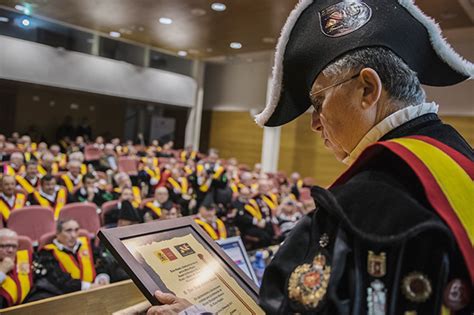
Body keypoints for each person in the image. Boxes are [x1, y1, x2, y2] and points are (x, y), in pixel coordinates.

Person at [148, 1, 473, 314]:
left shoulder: (365, 205)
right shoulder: (459, 158)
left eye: (318, 102)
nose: (315, 123)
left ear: (367, 90)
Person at [32, 219, 109, 300]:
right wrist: (88, 287)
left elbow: (101, 263)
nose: (73, 235)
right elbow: (58, 279)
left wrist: (102, 278)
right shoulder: (47, 253)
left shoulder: (87, 244)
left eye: (76, 230)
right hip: (68, 297)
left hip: (97, 292)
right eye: (68, 231)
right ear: (58, 233)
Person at [0, 229, 33, 308]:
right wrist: (2, 271)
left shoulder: (25, 258)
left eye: (14, 246)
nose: (10, 250)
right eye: (5, 246)